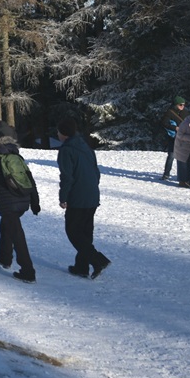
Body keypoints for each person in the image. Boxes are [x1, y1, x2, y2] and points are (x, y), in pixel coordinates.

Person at [0, 121, 41, 283]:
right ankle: (5, 258)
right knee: (7, 225)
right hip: (23, 199)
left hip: (7, 202)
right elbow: (30, 179)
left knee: (16, 233)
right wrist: (35, 202)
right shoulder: (16, 156)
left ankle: (28, 270)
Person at [57, 117, 110, 279]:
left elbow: (67, 177)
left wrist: (63, 197)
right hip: (92, 194)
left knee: (73, 231)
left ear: (63, 133)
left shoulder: (67, 150)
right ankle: (81, 267)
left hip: (78, 197)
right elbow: (96, 171)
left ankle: (98, 260)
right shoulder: (85, 146)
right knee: (85, 232)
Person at [160, 96, 187, 180]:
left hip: (183, 137)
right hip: (173, 137)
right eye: (180, 105)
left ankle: (184, 175)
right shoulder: (169, 112)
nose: (182, 106)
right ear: (175, 105)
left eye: (183, 105)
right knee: (171, 155)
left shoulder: (185, 112)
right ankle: (166, 173)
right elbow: (164, 123)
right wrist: (174, 128)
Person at [175, 110, 190, 188]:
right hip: (181, 146)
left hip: (189, 147)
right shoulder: (185, 124)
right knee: (182, 164)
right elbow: (179, 135)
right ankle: (182, 181)